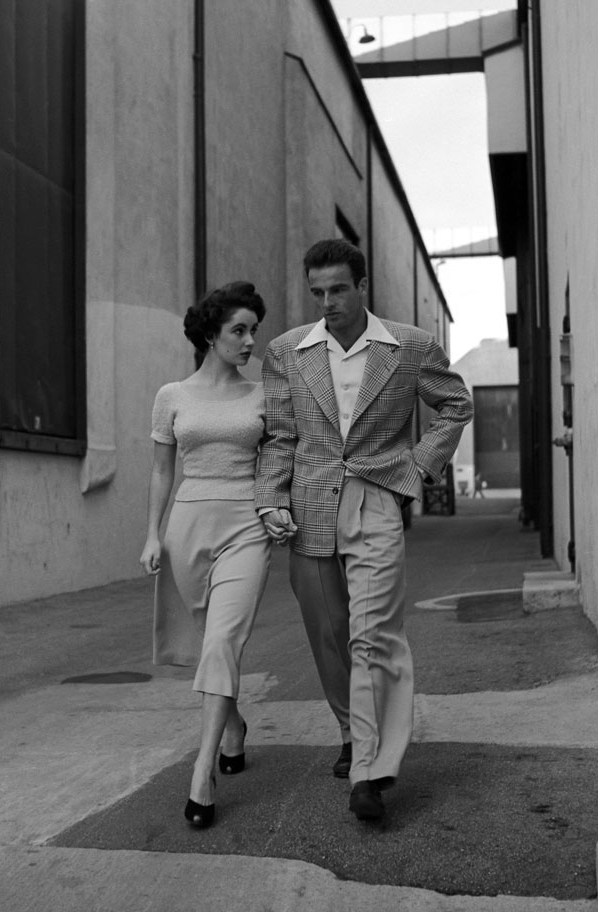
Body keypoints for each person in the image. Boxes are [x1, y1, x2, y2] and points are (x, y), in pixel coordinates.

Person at [255, 239, 473, 822]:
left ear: (362, 286)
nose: (327, 302)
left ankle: (371, 772)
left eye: (338, 290)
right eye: (317, 292)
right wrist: (269, 500)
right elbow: (280, 436)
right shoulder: (286, 352)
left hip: (377, 498)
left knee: (373, 635)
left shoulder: (408, 347)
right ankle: (353, 731)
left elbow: (456, 404)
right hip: (308, 508)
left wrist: (417, 468)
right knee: (329, 636)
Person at [139, 281, 271, 831]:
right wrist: (152, 534)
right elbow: (162, 469)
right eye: (238, 330)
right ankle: (233, 724)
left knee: (222, 639)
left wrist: (279, 509)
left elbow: (280, 459)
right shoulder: (172, 396)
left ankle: (201, 771)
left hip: (248, 526)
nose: (248, 341)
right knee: (203, 643)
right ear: (211, 335)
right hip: (186, 527)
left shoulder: (264, 394)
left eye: (253, 331)